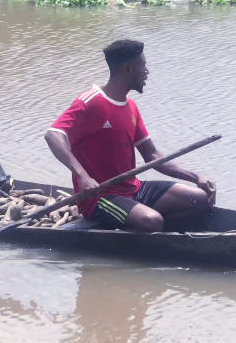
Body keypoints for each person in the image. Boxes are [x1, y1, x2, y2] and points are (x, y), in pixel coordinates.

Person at [44, 39, 216, 232]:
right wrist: (82, 176)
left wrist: (196, 177)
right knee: (152, 221)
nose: (147, 71)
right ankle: (148, 229)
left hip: (134, 189)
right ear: (128, 68)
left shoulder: (131, 107)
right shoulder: (91, 102)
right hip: (101, 197)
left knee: (200, 199)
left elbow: (153, 156)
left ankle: (149, 232)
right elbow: (54, 135)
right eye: (142, 65)